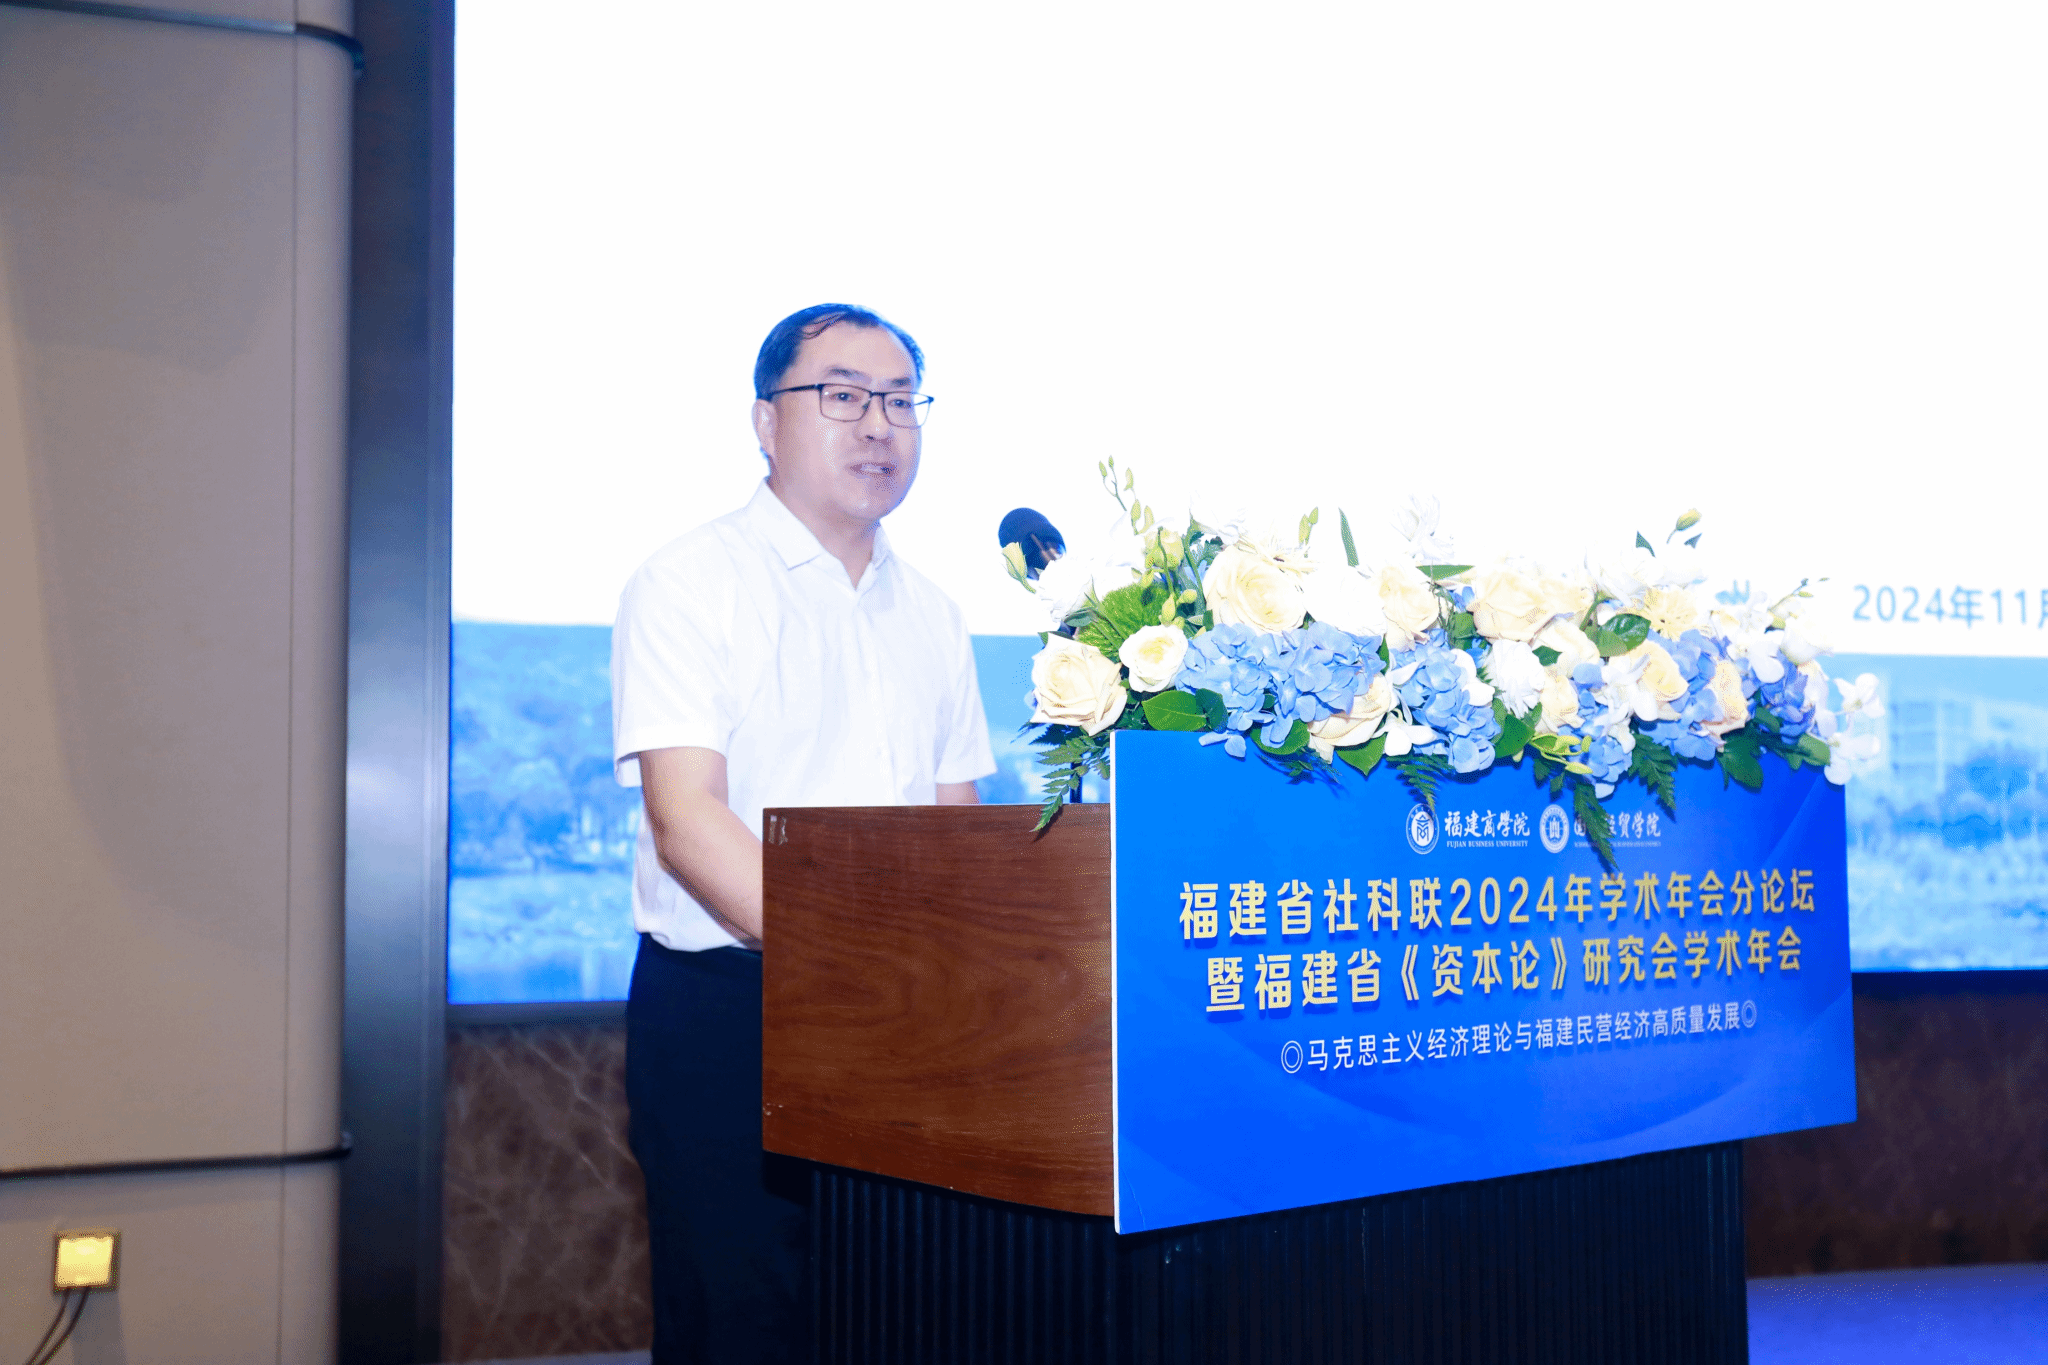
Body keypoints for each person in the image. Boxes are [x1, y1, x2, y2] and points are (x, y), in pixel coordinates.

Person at [610, 303, 995, 1363]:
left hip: (908, 1026)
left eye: (900, 400)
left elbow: (956, 829)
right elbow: (688, 818)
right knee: (743, 1325)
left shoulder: (936, 614)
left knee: (897, 1318)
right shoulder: (687, 582)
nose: (877, 424)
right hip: (734, 1018)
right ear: (765, 421)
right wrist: (859, 965)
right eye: (842, 396)